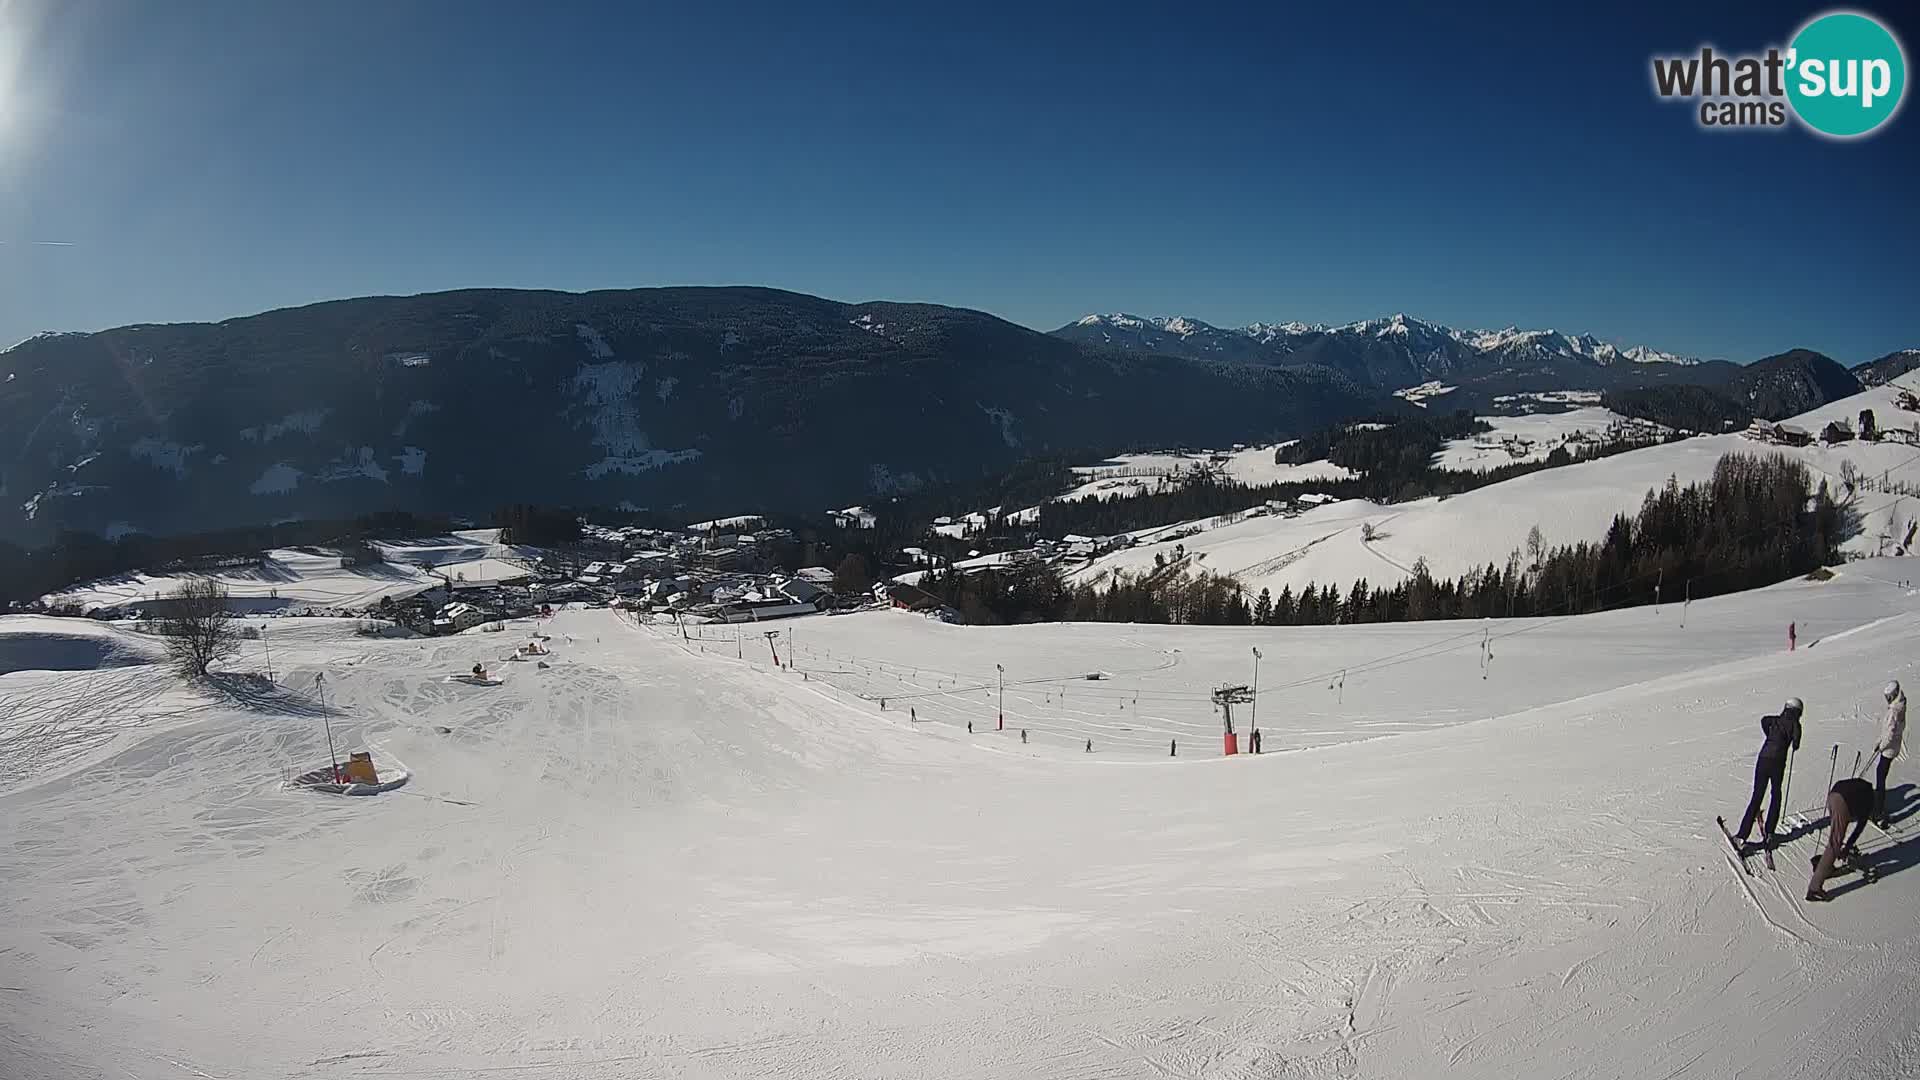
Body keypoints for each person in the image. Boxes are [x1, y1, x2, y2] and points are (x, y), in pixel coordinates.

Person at [1733, 697, 1803, 848]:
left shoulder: (1775, 720)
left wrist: (1770, 735)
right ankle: (1770, 833)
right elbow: (1796, 745)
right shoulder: (1796, 725)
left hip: (1763, 759)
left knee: (1757, 796)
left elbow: (1764, 720)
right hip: (1778, 763)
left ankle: (1741, 836)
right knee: (1776, 795)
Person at [1807, 777, 1876, 901]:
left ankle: (1825, 865)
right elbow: (1859, 828)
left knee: (1835, 838)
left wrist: (1847, 846)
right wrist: (1847, 847)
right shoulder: (1869, 802)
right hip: (1842, 800)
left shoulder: (1865, 789)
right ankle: (1814, 889)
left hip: (1833, 794)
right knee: (1834, 844)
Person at [1872, 679, 1907, 826]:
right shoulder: (1900, 704)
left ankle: (1878, 810)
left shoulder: (1894, 711)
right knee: (1881, 773)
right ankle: (1878, 802)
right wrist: (1879, 742)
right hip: (1892, 746)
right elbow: (1888, 731)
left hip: (1889, 749)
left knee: (1880, 775)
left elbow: (1890, 733)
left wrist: (1882, 746)